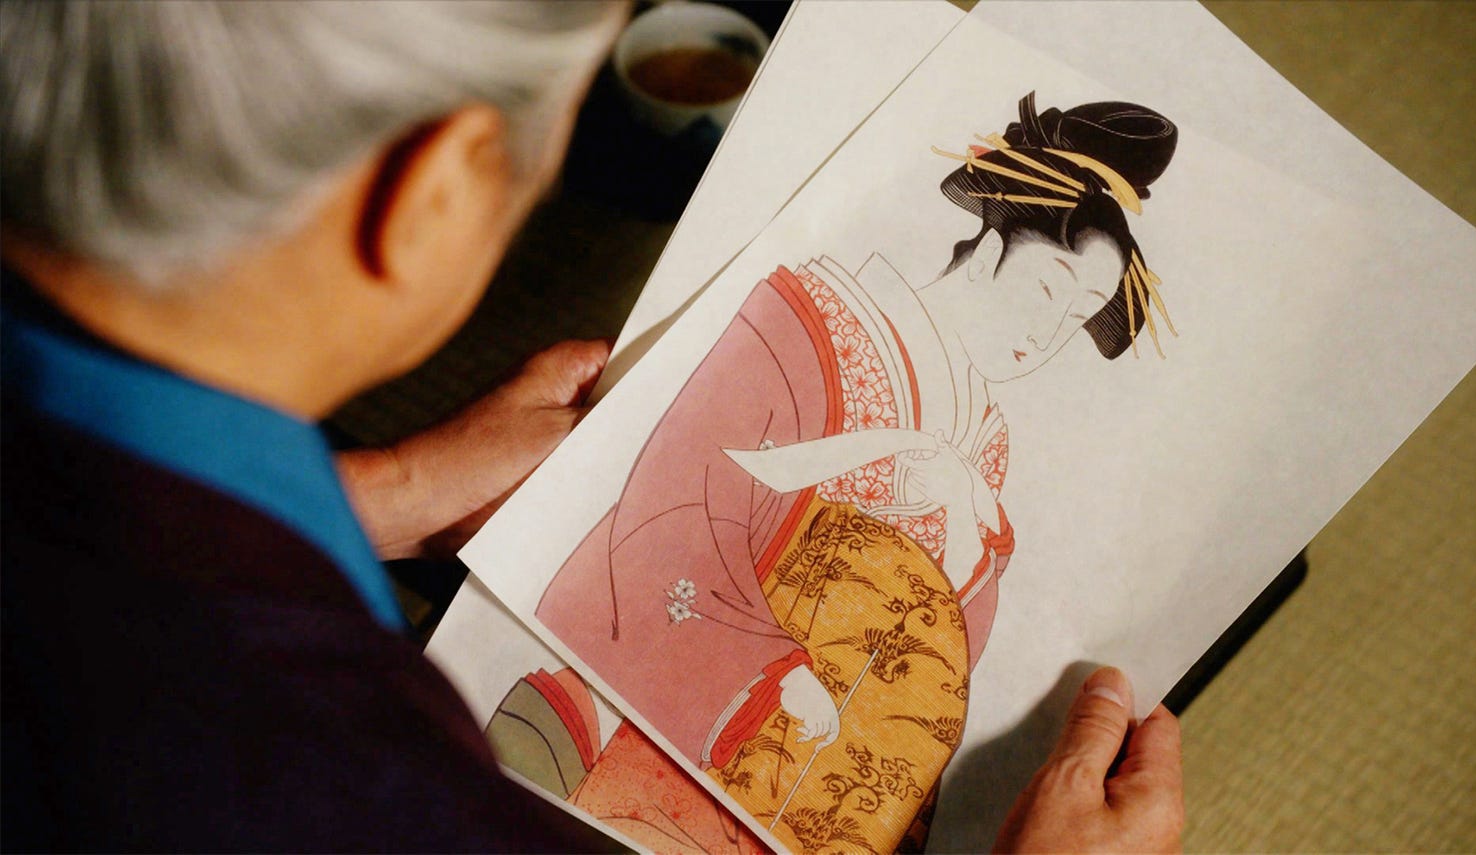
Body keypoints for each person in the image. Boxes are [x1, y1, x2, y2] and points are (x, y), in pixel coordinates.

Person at [0, 2, 1182, 852]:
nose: (1045, 329)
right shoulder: (334, 772)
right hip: (736, 705)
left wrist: (389, 490)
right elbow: (680, 526)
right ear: (435, 196)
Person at [533, 92, 1181, 851]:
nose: (1048, 333)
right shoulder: (803, 323)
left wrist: (964, 526)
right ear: (988, 250)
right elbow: (684, 496)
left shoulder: (982, 439)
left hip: (848, 765)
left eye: (1077, 316)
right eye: (1047, 290)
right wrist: (772, 671)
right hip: (733, 698)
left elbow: (954, 635)